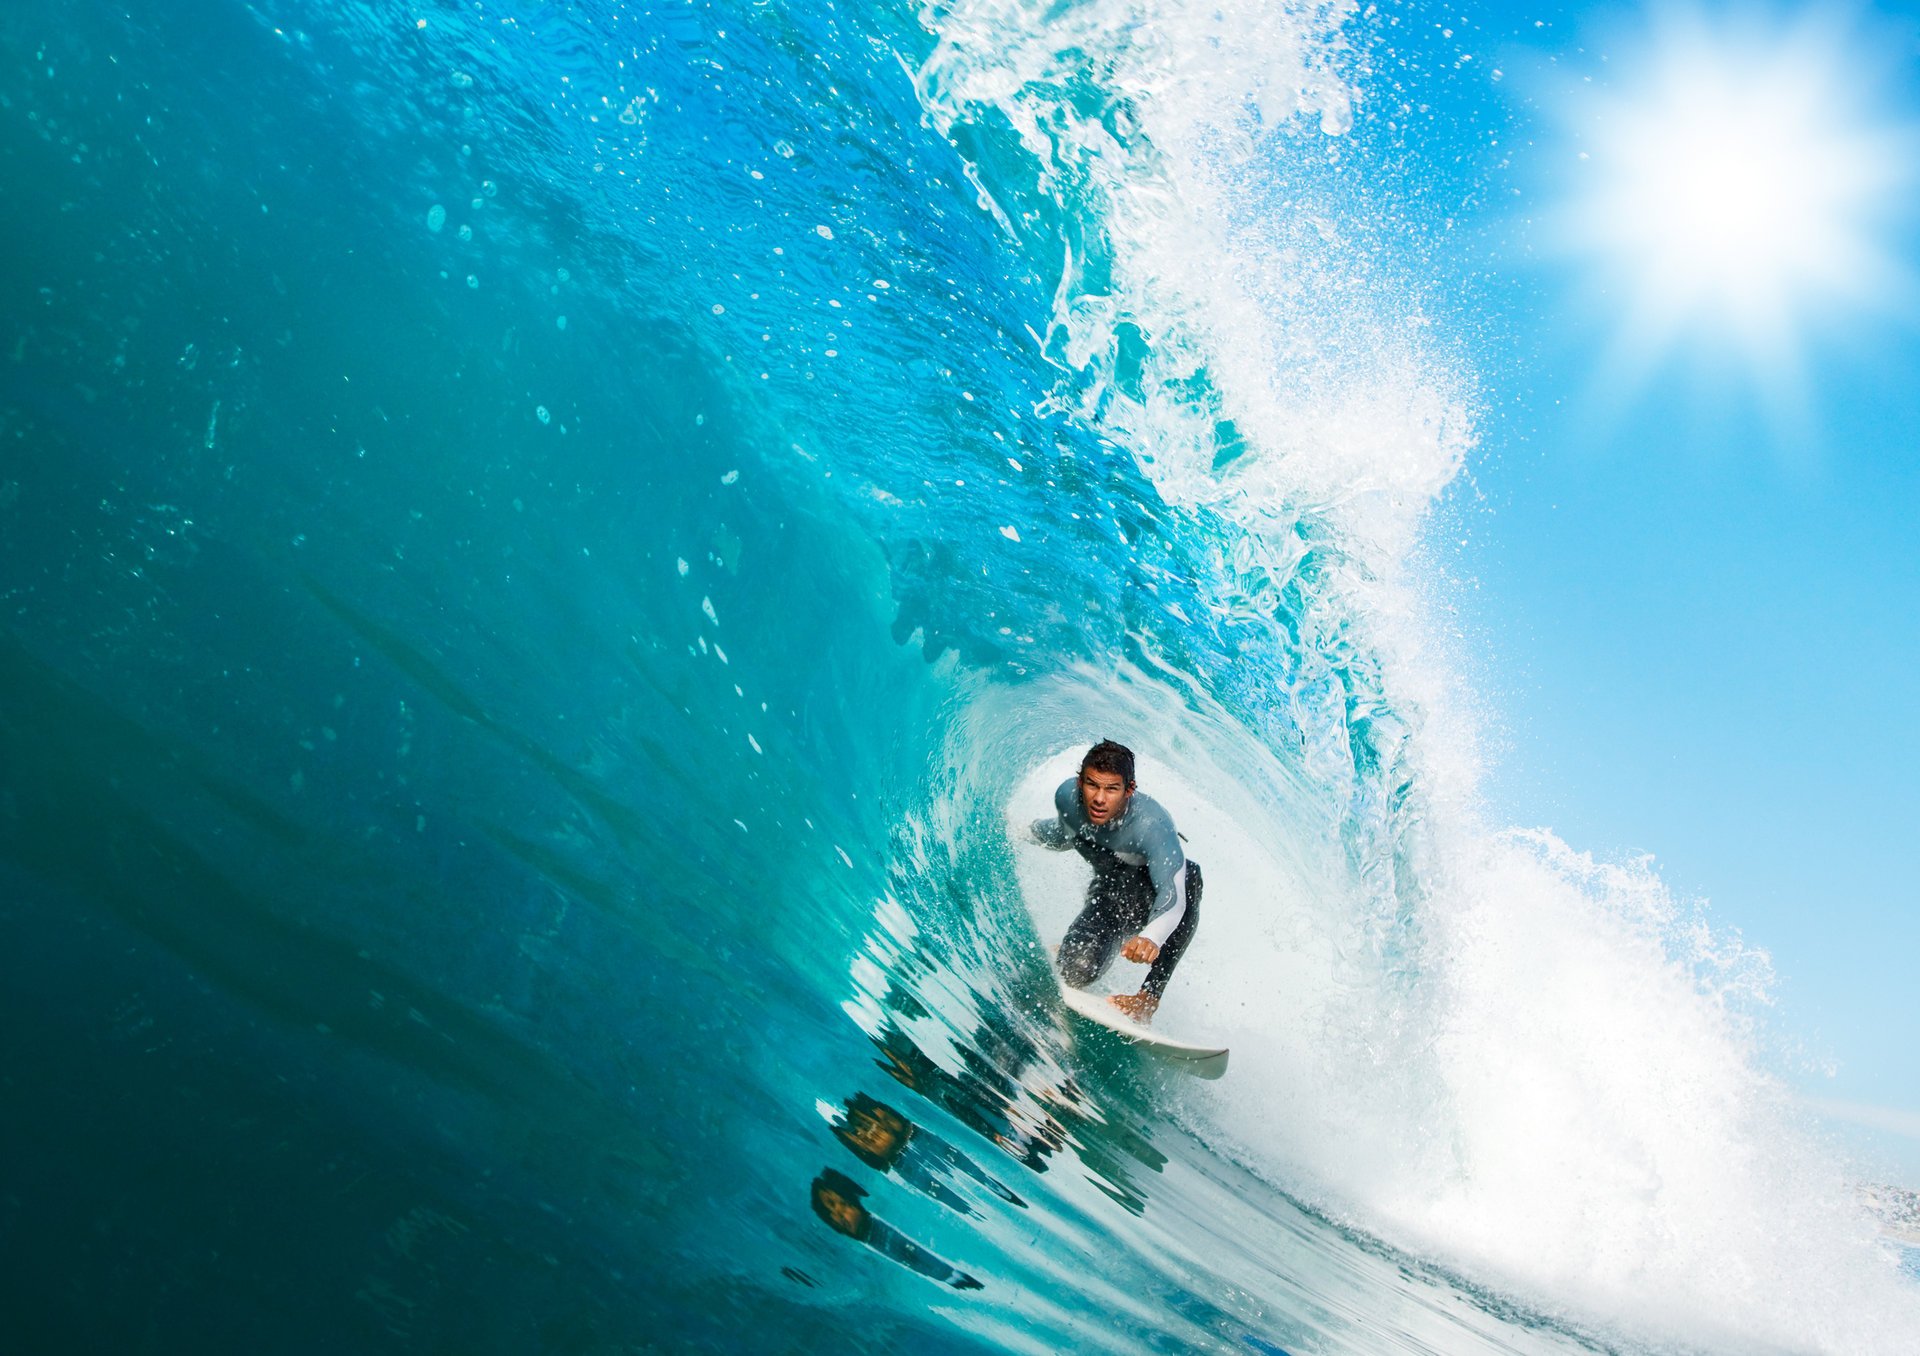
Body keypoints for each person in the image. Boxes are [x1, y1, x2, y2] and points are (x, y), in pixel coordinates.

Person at [1029, 739, 1201, 1025]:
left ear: (1129, 790)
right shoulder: (1066, 798)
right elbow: (1064, 834)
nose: (1099, 798)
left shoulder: (1152, 826)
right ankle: (1076, 945)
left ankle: (1148, 998)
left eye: (1111, 789)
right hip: (1109, 897)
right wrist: (1023, 831)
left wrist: (1151, 937)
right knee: (1075, 970)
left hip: (1152, 903)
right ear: (1079, 781)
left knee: (1190, 877)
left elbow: (1173, 897)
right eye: (1092, 785)